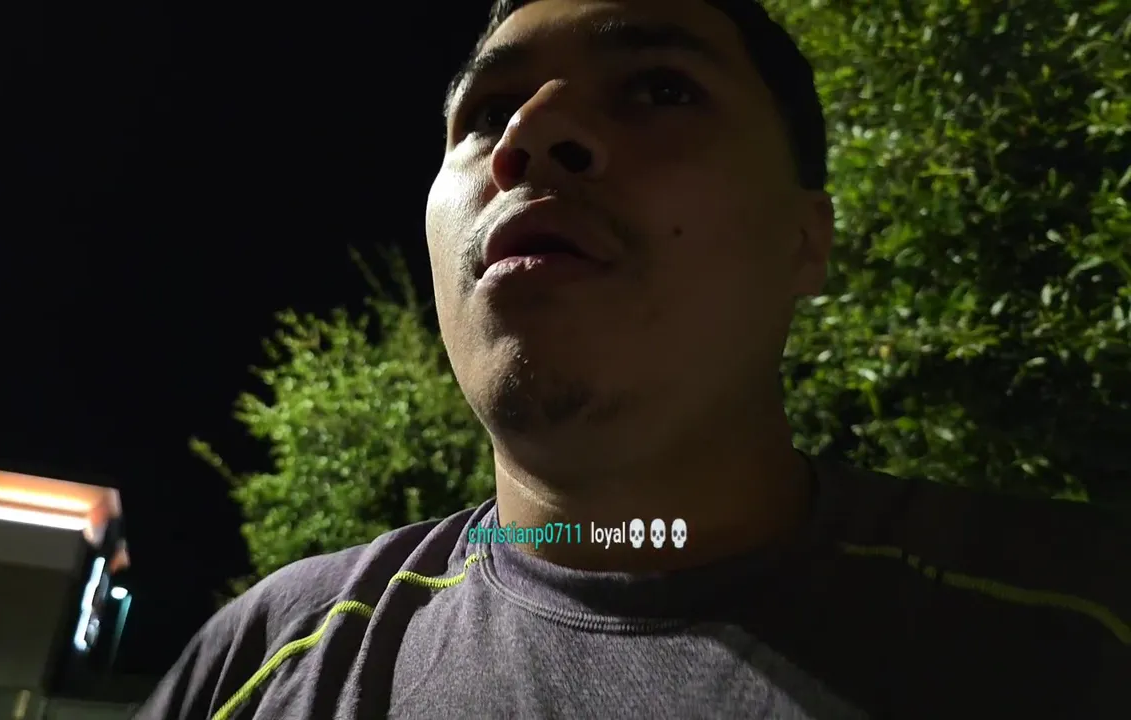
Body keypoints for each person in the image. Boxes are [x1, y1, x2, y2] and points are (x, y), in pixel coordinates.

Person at [137, 0, 1129, 717]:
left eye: (659, 88)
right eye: (486, 113)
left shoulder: (1083, 630)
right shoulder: (261, 665)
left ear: (805, 240)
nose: (529, 137)